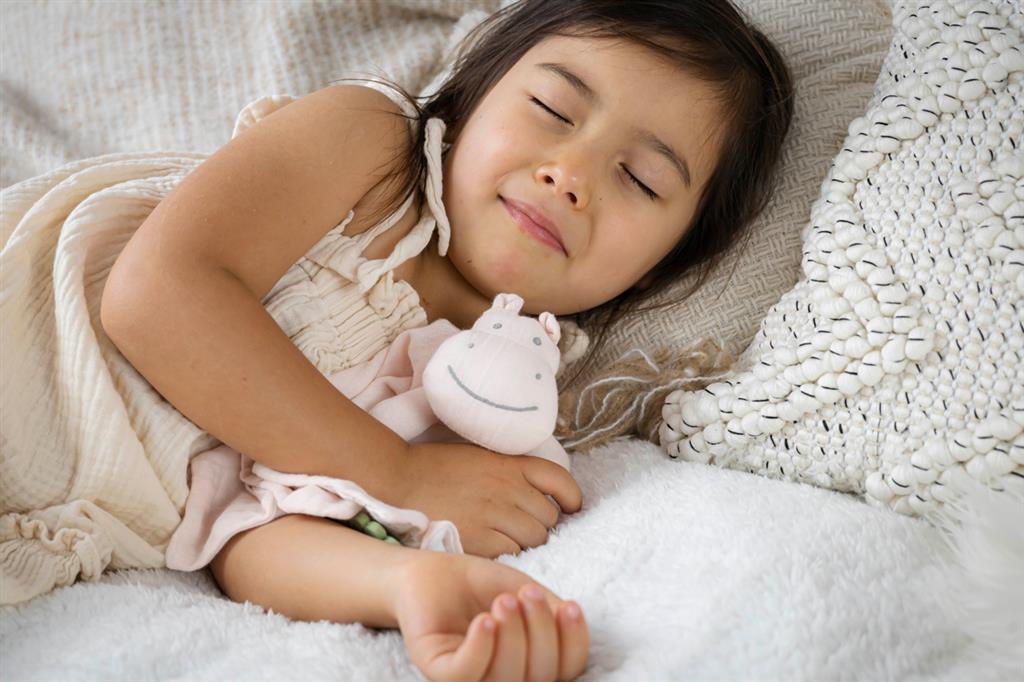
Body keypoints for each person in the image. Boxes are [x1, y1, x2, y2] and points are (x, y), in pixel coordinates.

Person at [98, 0, 793, 680]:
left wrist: (406, 581)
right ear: (472, 95)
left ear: (662, 267)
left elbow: (249, 531)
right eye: (552, 109)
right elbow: (155, 293)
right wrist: (399, 472)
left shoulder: (495, 396)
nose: (570, 176)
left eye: (640, 179)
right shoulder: (370, 151)